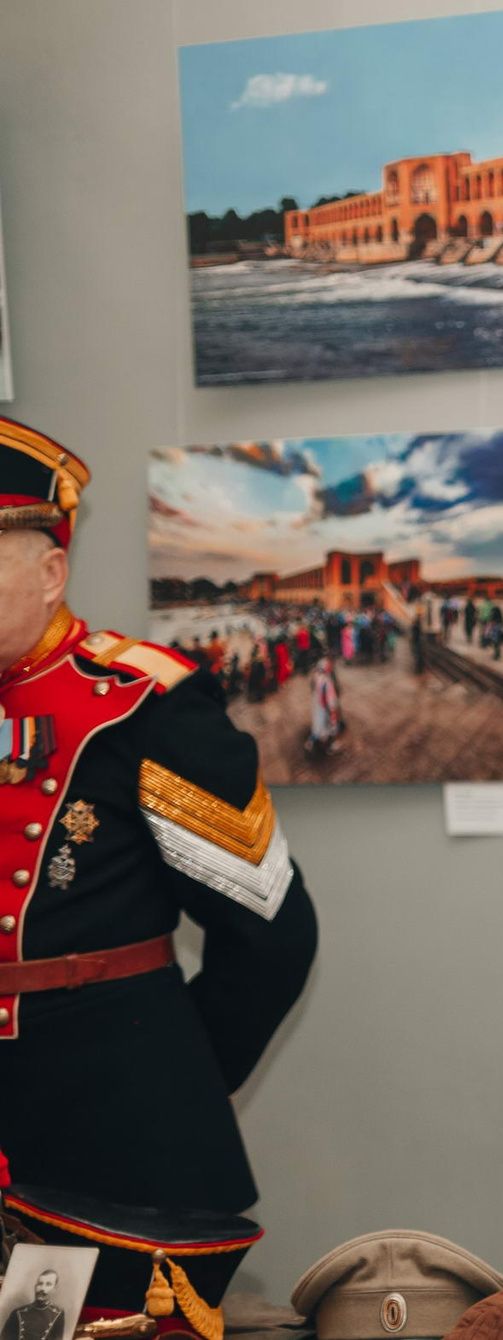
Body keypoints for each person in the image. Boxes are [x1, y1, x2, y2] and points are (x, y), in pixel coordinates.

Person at [0, 415, 318, 1215]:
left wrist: (174, 1080)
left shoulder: (146, 706)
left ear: (52, 572)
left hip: (116, 1129)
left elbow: (272, 933)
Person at [2, 1267, 66, 1340]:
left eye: (48, 1284)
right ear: (35, 1287)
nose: (42, 1288)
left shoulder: (58, 1314)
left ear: (54, 1289)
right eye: (40, 1283)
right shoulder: (18, 1313)